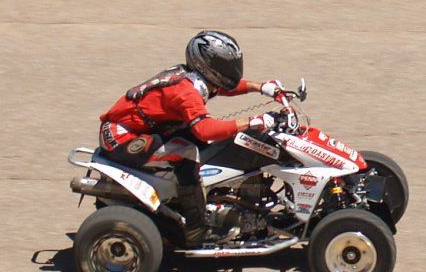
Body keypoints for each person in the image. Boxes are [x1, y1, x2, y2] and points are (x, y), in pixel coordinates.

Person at [97, 31, 285, 171]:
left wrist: (261, 87)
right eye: (224, 65)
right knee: (189, 153)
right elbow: (205, 130)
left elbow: (224, 87)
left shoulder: (192, 78)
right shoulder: (186, 92)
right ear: (207, 64)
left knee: (207, 145)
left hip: (144, 130)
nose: (231, 69)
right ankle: (195, 220)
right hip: (120, 138)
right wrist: (251, 122)